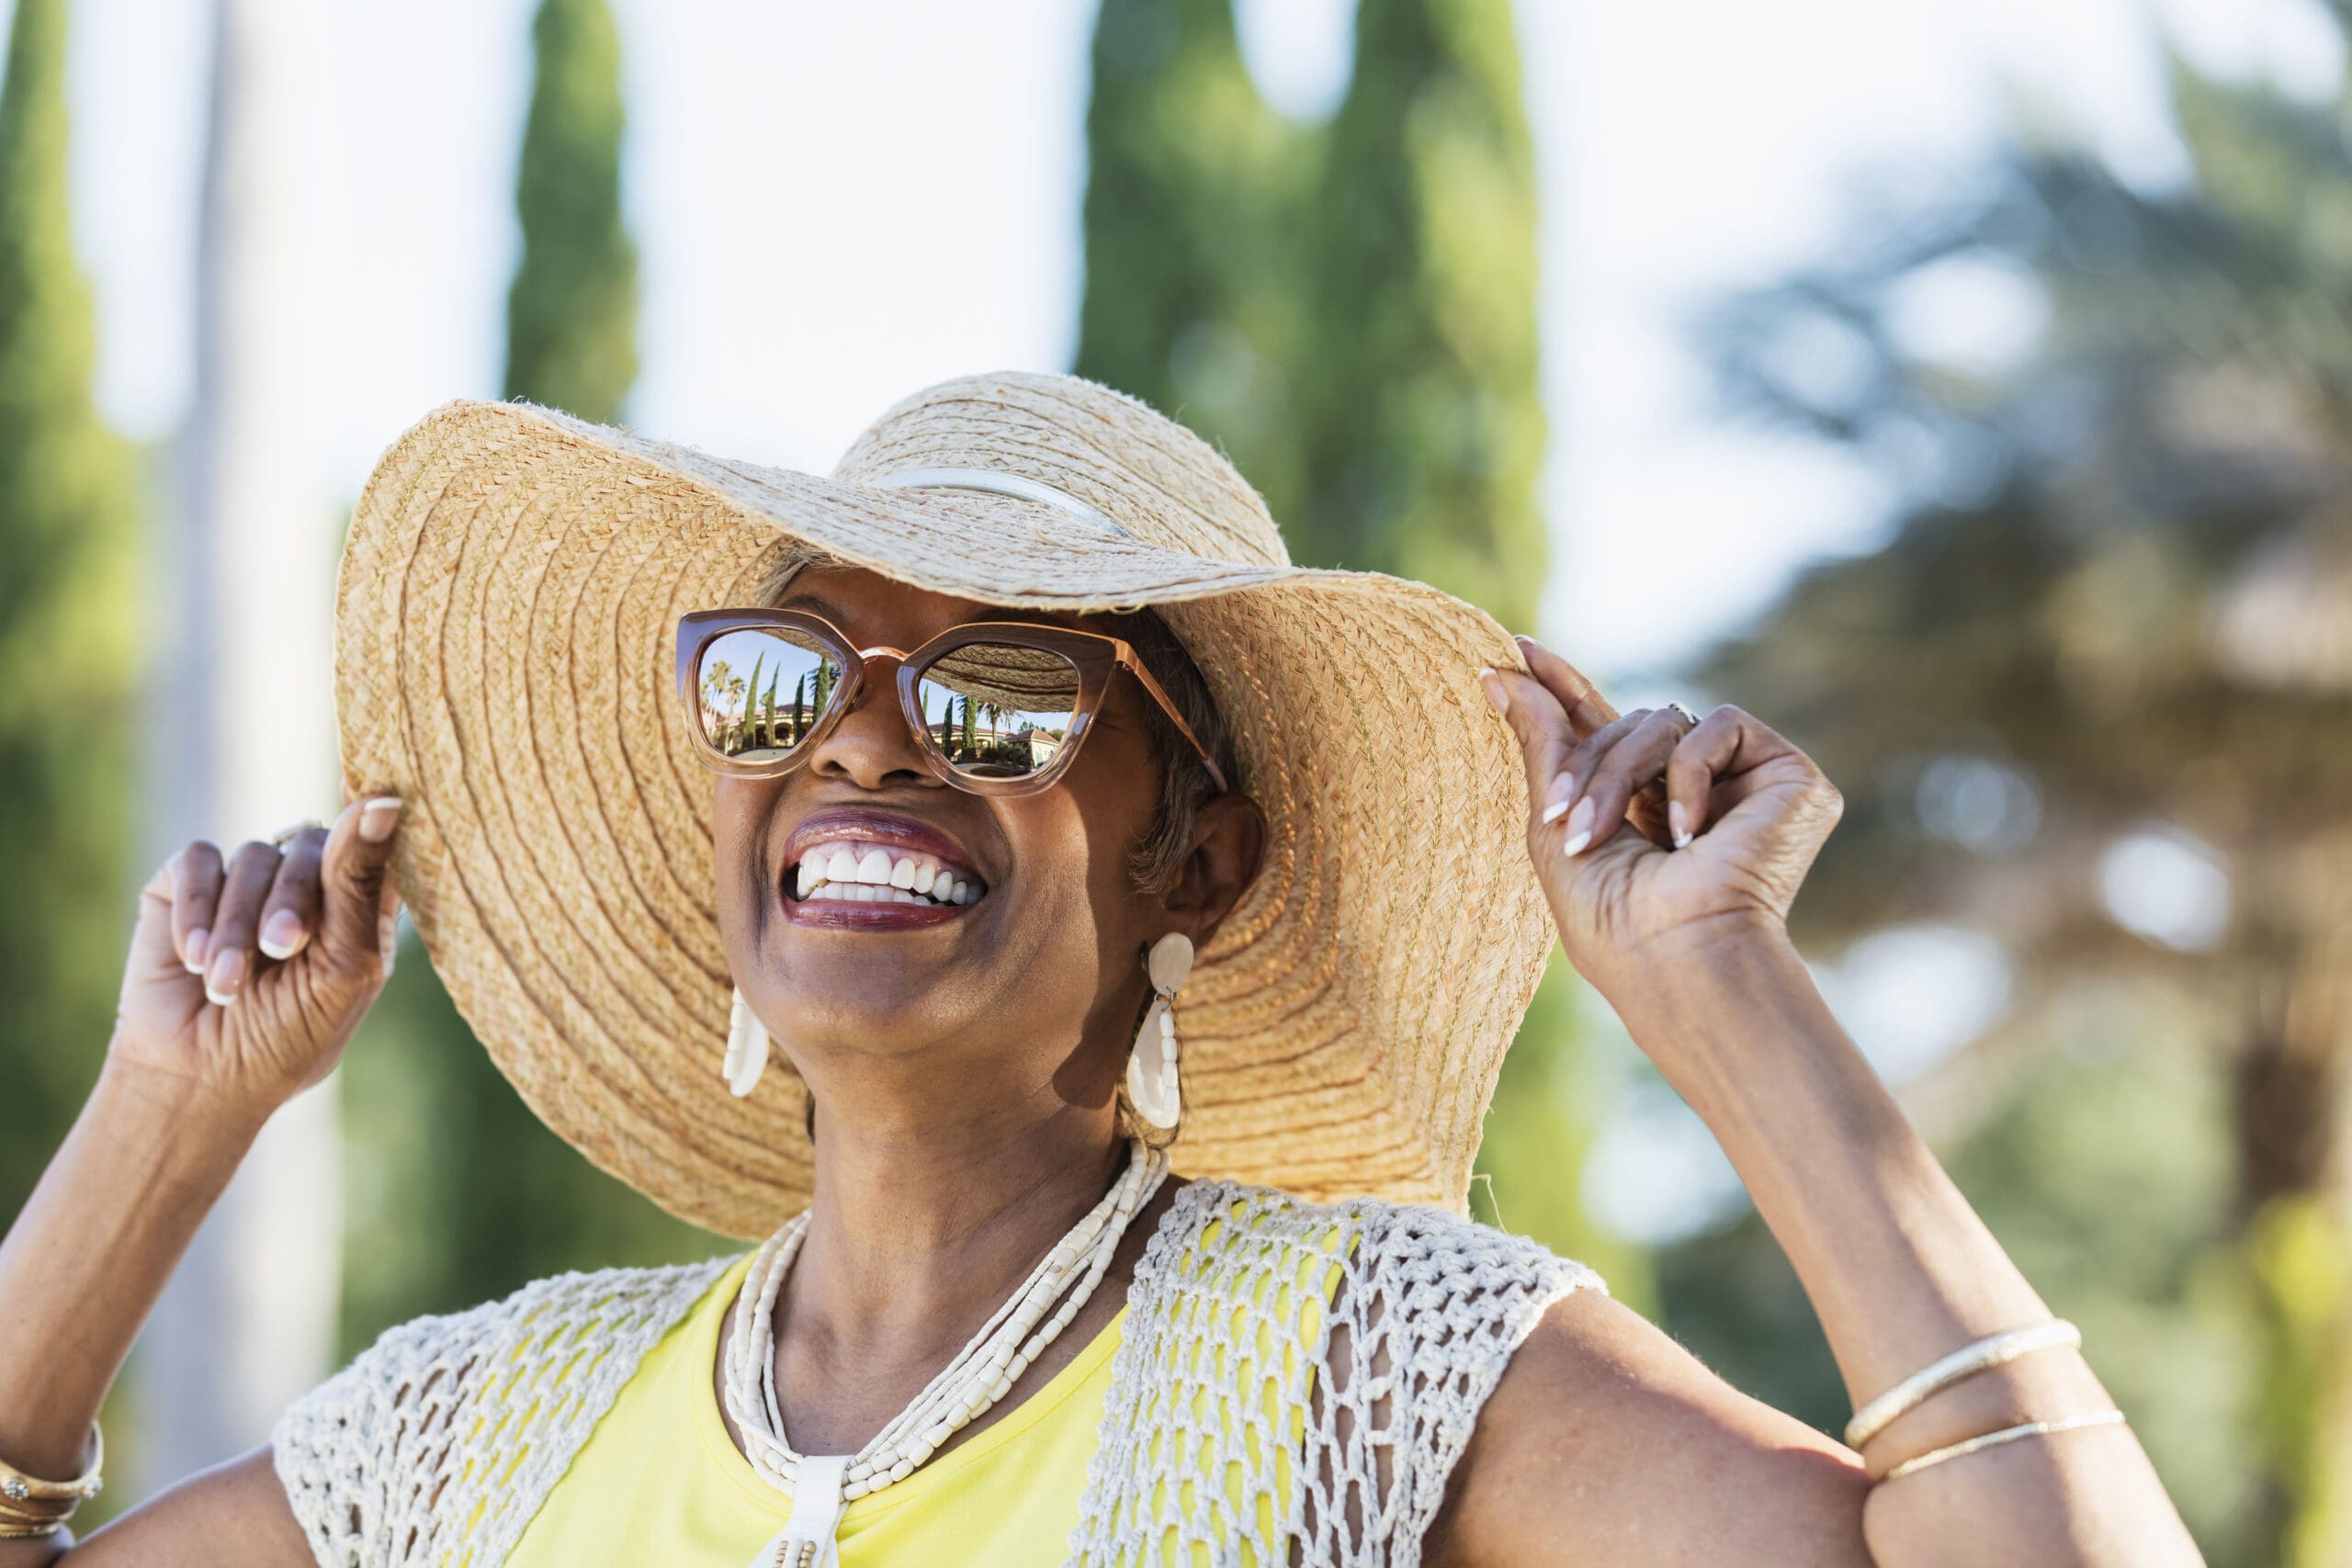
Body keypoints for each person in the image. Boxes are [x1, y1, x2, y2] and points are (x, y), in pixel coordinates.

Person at [0, 372, 2204, 1566]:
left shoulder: (1378, 1367)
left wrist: (1720, 991)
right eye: (782, 681)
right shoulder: (477, 1430)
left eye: (999, 697)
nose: (862, 733)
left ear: (1197, 855)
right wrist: (163, 1119)